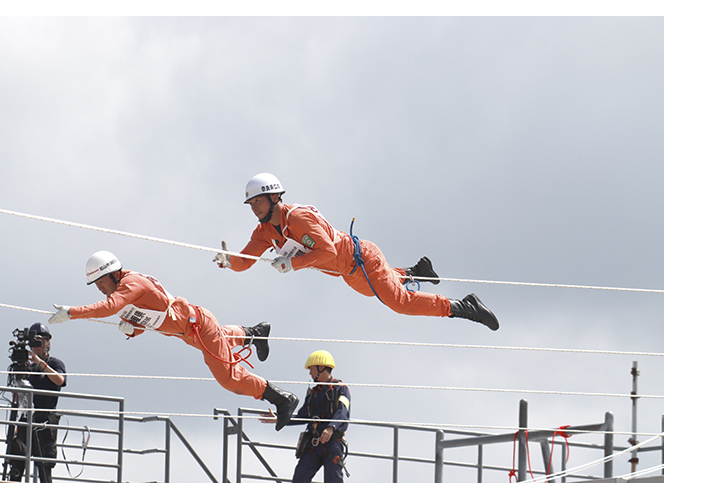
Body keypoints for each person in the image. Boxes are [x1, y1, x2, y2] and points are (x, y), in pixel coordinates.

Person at [48, 250, 299, 430]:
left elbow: (107, 307)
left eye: (100, 282)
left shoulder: (129, 285)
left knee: (229, 378)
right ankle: (254, 332)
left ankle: (280, 397)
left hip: (197, 325)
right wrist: (131, 330)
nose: (99, 288)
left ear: (113, 275)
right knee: (221, 340)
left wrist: (71, 313)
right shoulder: (125, 291)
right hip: (192, 329)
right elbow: (147, 322)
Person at [214, 173, 499, 331]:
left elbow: (325, 251)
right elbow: (244, 262)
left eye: (258, 202)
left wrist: (293, 265)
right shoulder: (264, 232)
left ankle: (465, 307)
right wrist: (228, 261)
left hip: (364, 258)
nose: (255, 208)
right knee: (378, 290)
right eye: (251, 204)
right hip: (349, 273)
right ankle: (414, 272)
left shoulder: (299, 218)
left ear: (275, 197)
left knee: (400, 302)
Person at [261, 350, 351, 483]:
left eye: (312, 369)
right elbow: (303, 416)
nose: (310, 373)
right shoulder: (313, 393)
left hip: (332, 444)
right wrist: (280, 418)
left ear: (321, 367)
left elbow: (343, 412)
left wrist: (331, 427)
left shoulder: (341, 389)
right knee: (299, 480)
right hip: (314, 444)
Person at [6, 322, 67, 483]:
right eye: (34, 342)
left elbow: (60, 380)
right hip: (27, 419)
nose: (37, 345)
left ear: (48, 343)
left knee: (44, 466)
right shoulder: (28, 367)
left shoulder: (54, 363)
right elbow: (17, 397)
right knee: (17, 460)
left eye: (41, 341)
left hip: (45, 420)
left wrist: (41, 363)